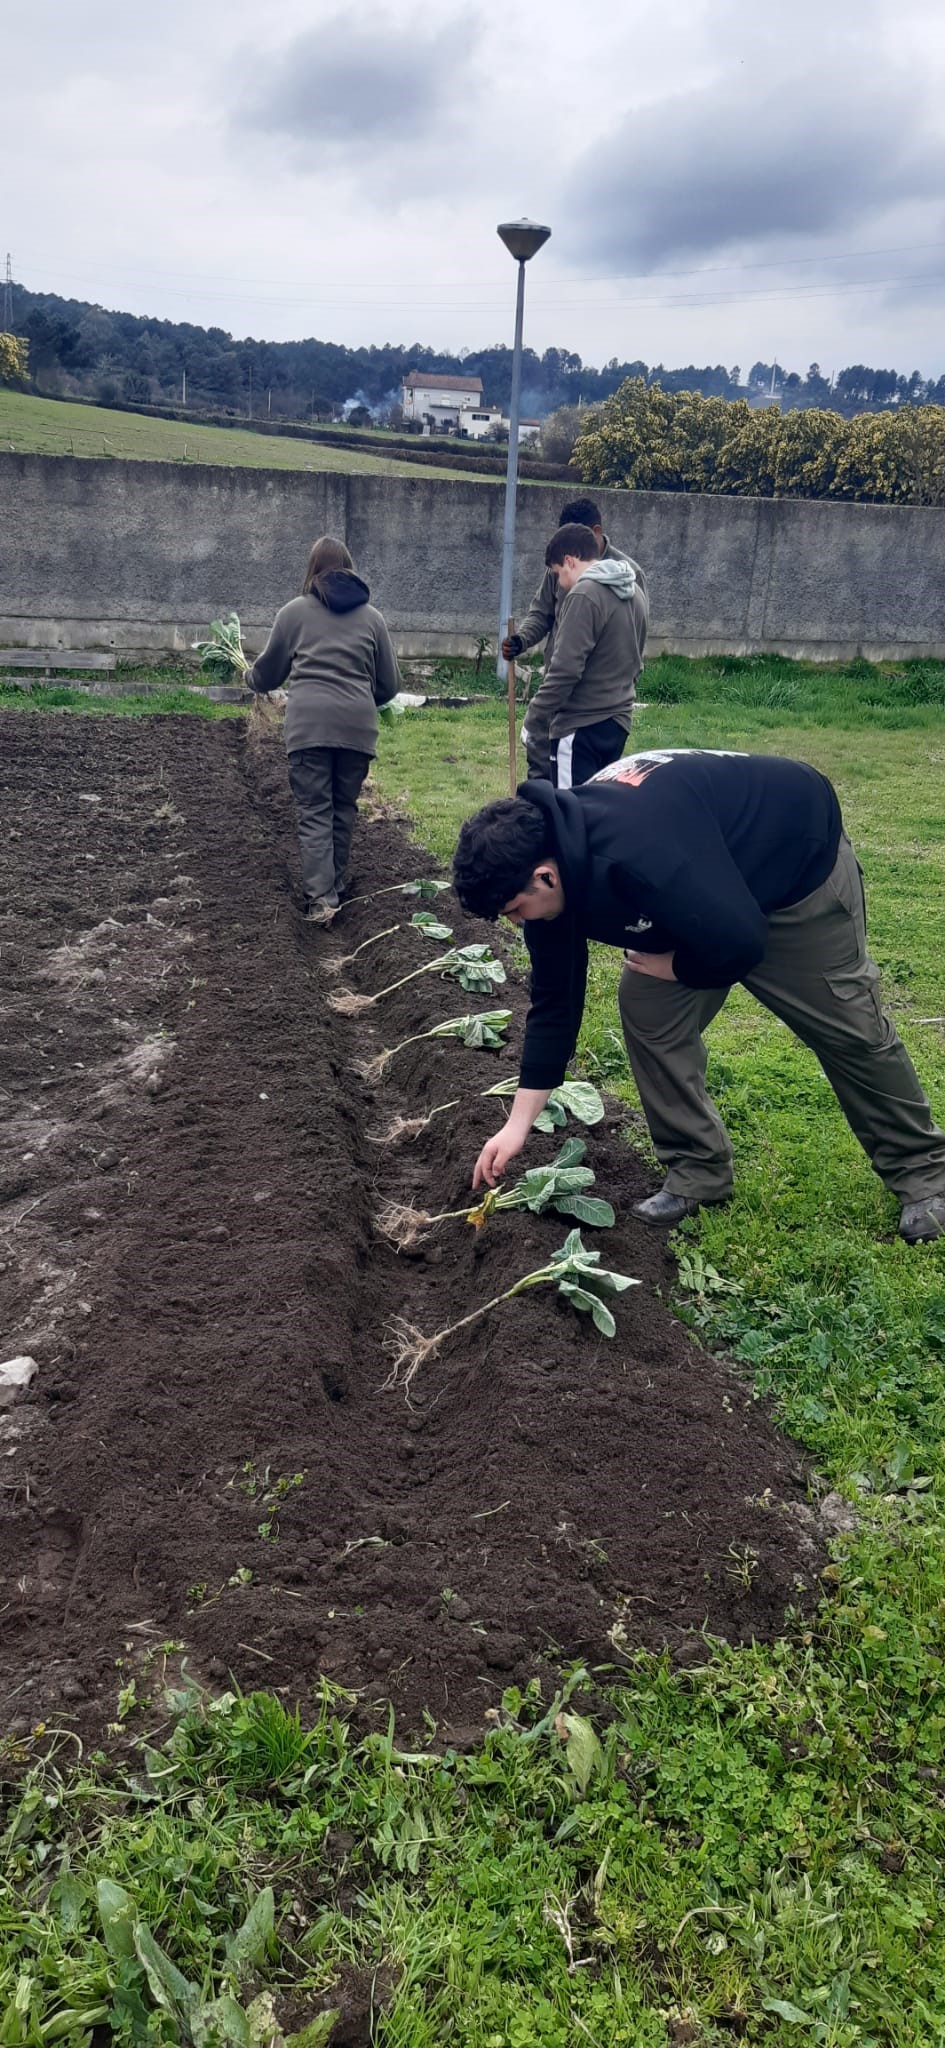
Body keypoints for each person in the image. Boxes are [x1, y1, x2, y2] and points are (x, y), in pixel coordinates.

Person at [451, 749, 945, 1243]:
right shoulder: (550, 873)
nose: (517, 923)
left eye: (515, 910)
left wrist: (678, 965)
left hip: (791, 863)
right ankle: (698, 1172)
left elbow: (741, 942)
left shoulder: (638, 851)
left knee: (849, 1024)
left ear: (545, 876)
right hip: (697, 886)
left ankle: (925, 1175)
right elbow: (554, 1003)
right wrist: (517, 1126)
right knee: (649, 1007)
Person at [247, 536, 401, 922]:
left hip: (308, 727)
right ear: (349, 566)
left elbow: (268, 675)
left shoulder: (293, 613)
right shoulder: (373, 618)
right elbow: (390, 685)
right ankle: (337, 886)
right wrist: (361, 694)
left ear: (312, 569)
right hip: (357, 729)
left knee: (315, 810)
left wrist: (248, 676)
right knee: (343, 808)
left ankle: (321, 900)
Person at [501, 495, 648, 782]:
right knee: (553, 776)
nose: (558, 580)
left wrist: (533, 718)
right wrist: (521, 640)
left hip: (581, 709)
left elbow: (633, 645)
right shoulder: (574, 573)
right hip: (573, 700)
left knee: (570, 803)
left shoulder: (623, 578)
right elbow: (542, 613)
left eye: (558, 573)